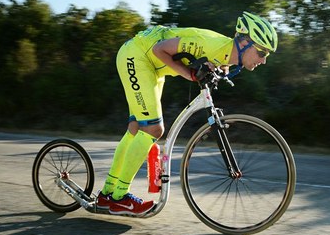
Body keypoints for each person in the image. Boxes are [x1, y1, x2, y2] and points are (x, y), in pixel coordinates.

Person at [96, 11, 278, 215]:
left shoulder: (228, 53)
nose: (263, 61)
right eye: (262, 53)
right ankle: (119, 196)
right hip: (138, 56)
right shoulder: (210, 45)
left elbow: (215, 61)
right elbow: (160, 49)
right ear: (244, 43)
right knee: (153, 129)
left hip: (152, 67)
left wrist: (218, 70)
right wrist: (189, 74)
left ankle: (107, 194)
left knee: (136, 128)